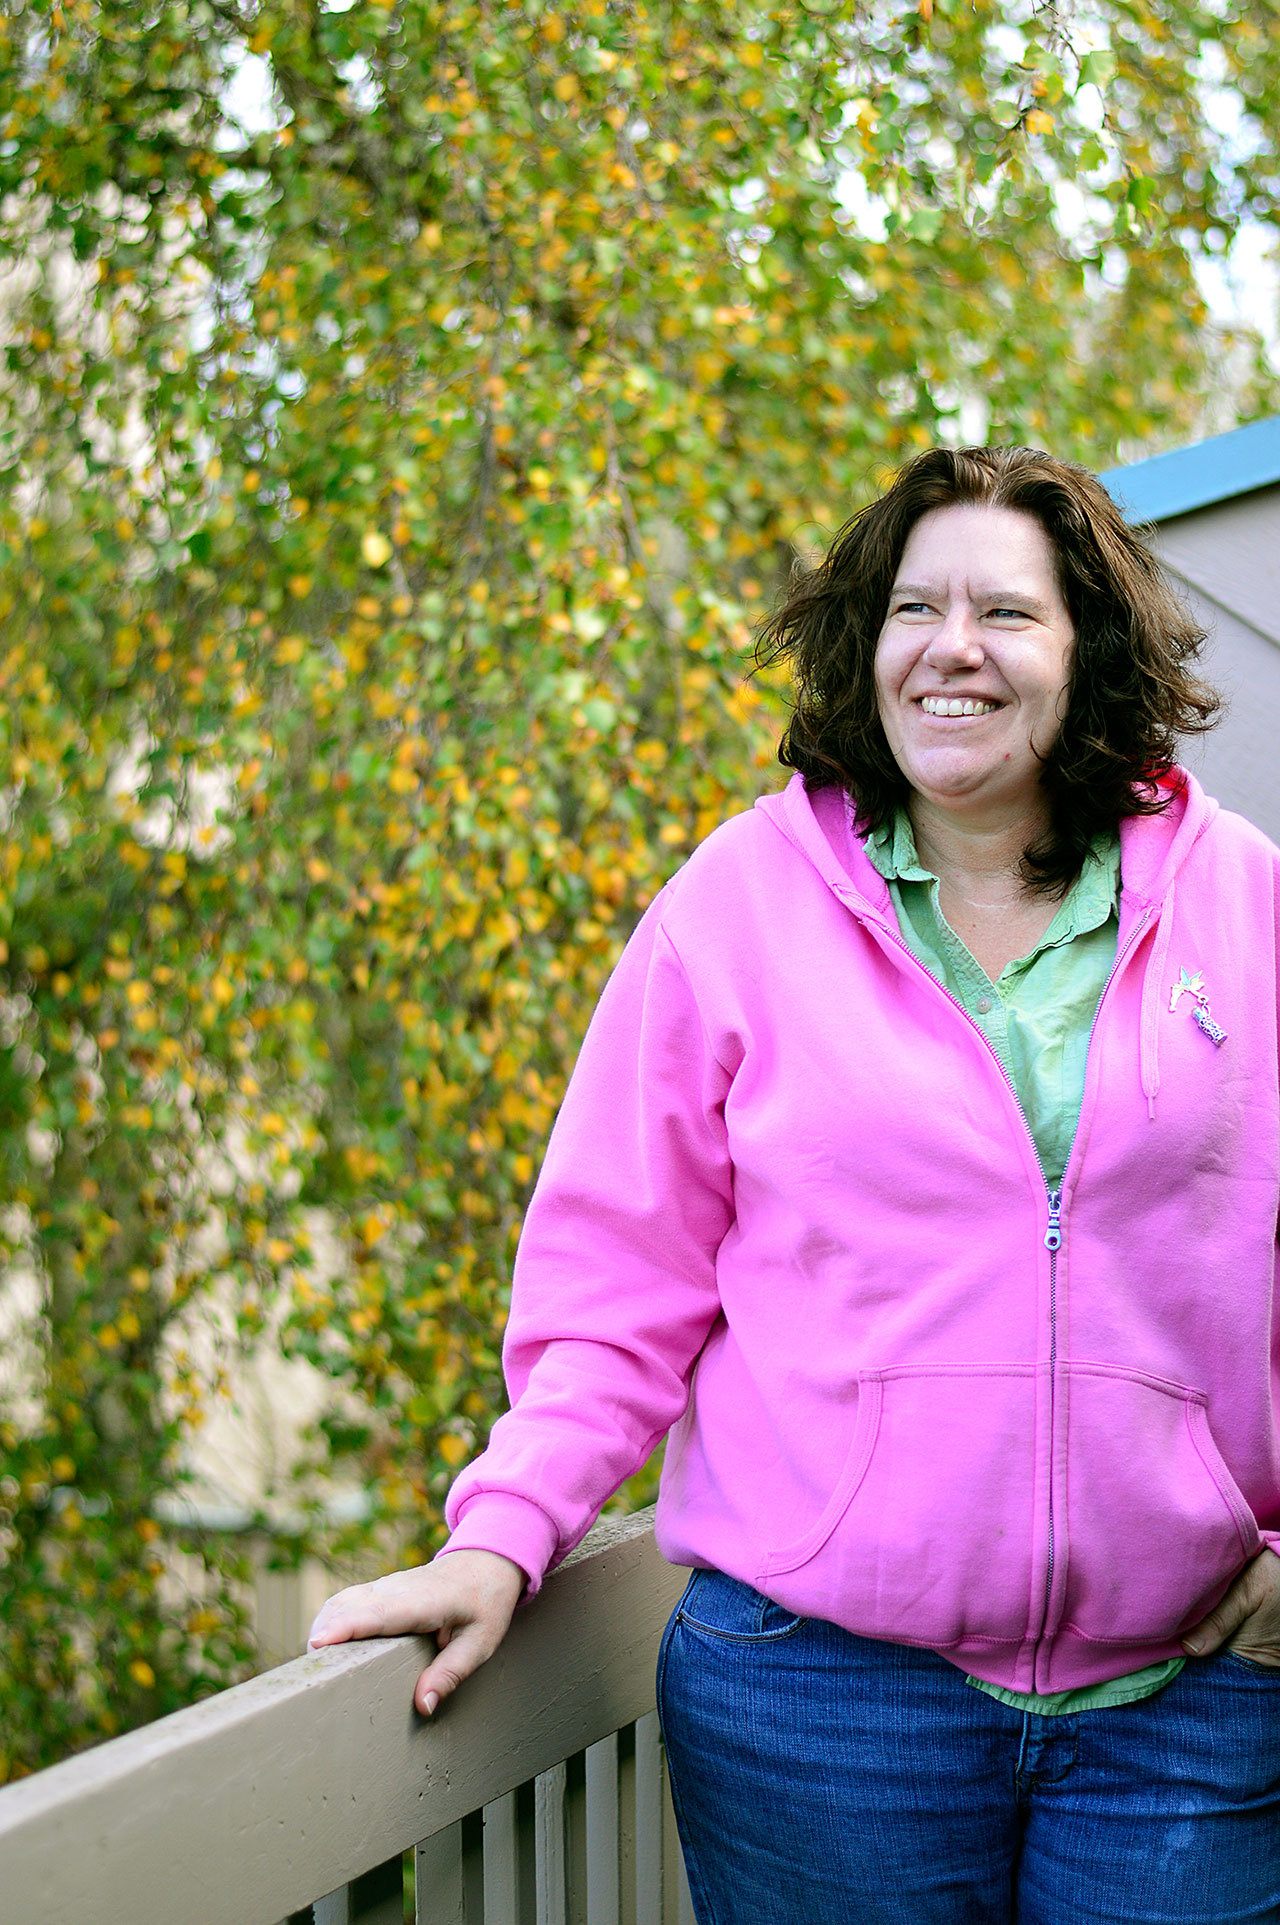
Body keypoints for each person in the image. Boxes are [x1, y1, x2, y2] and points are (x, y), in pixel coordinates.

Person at [308, 445, 1280, 1922]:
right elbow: (616, 1291)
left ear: (1089, 648)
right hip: (821, 1704)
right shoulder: (734, 909)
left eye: (1008, 612)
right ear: (864, 647)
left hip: (1190, 1709)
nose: (953, 646)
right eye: (914, 609)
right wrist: (501, 1531)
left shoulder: (1244, 903)